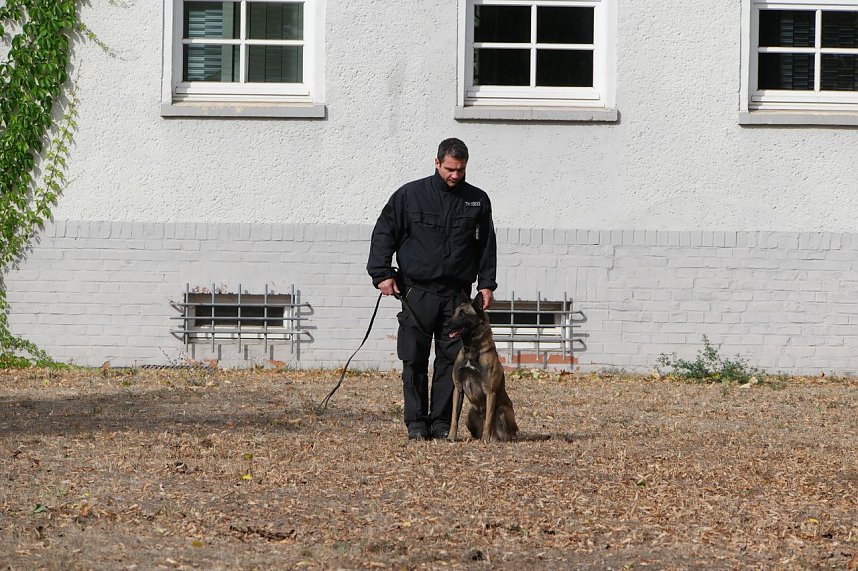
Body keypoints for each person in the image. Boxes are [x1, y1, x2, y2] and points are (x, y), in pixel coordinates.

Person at [367, 138, 498, 441]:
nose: (455, 175)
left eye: (461, 170)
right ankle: (415, 422)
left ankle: (440, 423)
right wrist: (381, 274)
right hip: (417, 292)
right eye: (450, 169)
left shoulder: (477, 200)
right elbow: (384, 232)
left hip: (457, 296)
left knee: (448, 361)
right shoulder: (410, 196)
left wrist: (487, 283)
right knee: (413, 358)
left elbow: (486, 245)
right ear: (437, 163)